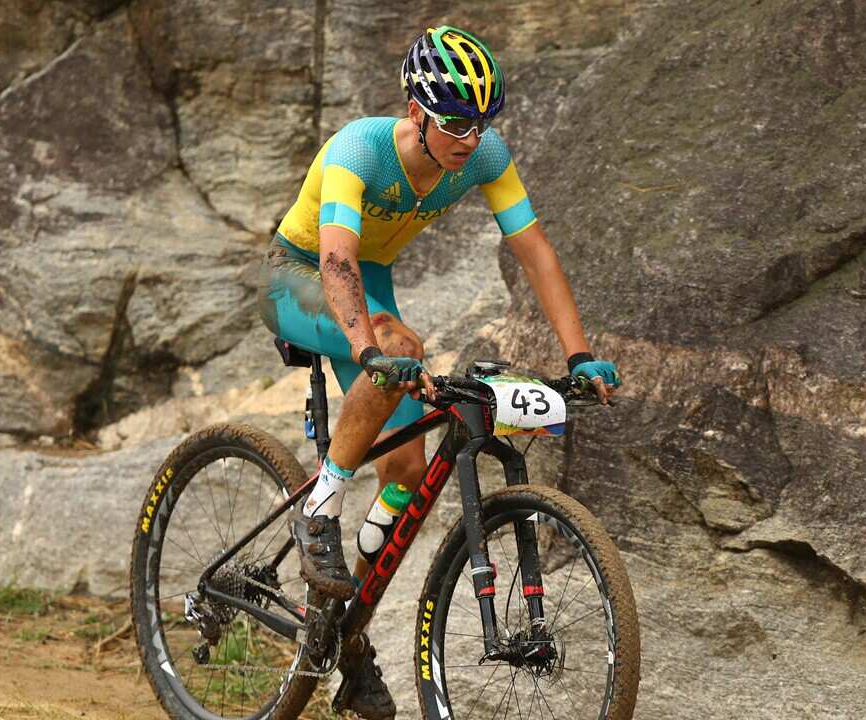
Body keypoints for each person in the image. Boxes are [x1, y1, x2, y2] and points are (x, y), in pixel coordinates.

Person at [257, 25, 621, 719]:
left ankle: (344, 637)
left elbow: (534, 251)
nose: (470, 135)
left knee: (402, 476)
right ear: (416, 111)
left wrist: (578, 355)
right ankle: (320, 508)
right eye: (455, 120)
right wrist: (371, 351)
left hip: (369, 280)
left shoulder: (482, 155)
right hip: (296, 274)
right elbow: (336, 262)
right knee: (401, 344)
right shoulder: (358, 149)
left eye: (482, 120)